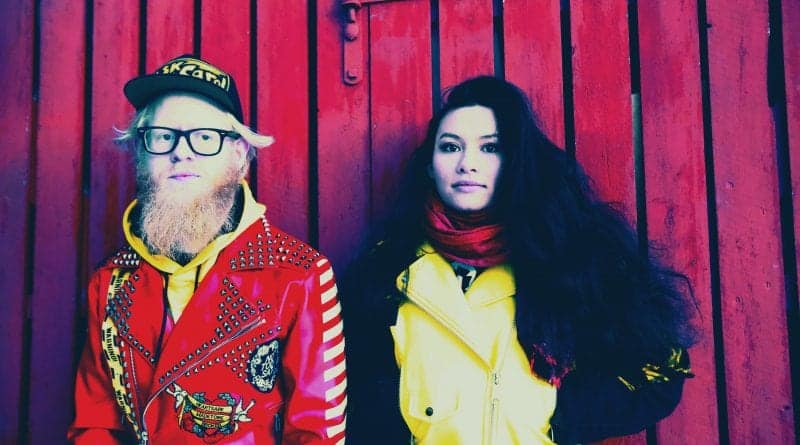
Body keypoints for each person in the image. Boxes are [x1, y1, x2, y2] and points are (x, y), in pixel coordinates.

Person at [342, 76, 696, 444]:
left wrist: (556, 417)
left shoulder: (567, 258)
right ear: (430, 165)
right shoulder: (386, 273)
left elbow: (663, 367)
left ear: (516, 161)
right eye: (450, 147)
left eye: (490, 148)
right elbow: (351, 394)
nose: (467, 163)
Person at [69, 55, 347, 445]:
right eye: (162, 135)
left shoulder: (297, 275)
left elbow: (316, 434)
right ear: (140, 152)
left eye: (204, 137)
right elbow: (95, 424)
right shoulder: (111, 282)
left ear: (239, 153)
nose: (181, 152)